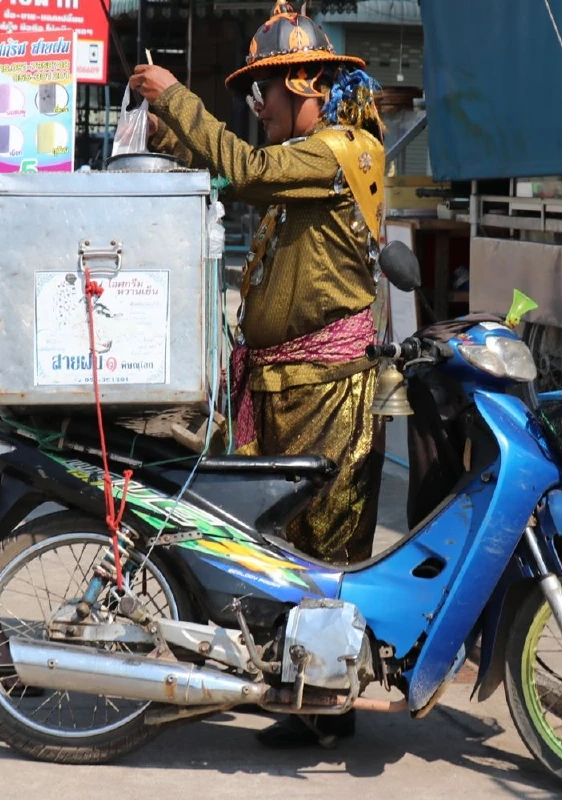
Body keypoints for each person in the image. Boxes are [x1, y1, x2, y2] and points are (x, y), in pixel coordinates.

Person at [130, 0, 388, 747]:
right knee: (277, 551)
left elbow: (242, 165)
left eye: (262, 95)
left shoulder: (342, 151)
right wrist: (170, 133)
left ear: (303, 84)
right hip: (282, 384)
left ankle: (326, 710)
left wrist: (177, 97)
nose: (256, 108)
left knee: (323, 551)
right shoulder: (298, 166)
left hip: (329, 387)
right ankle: (301, 695)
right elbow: (235, 175)